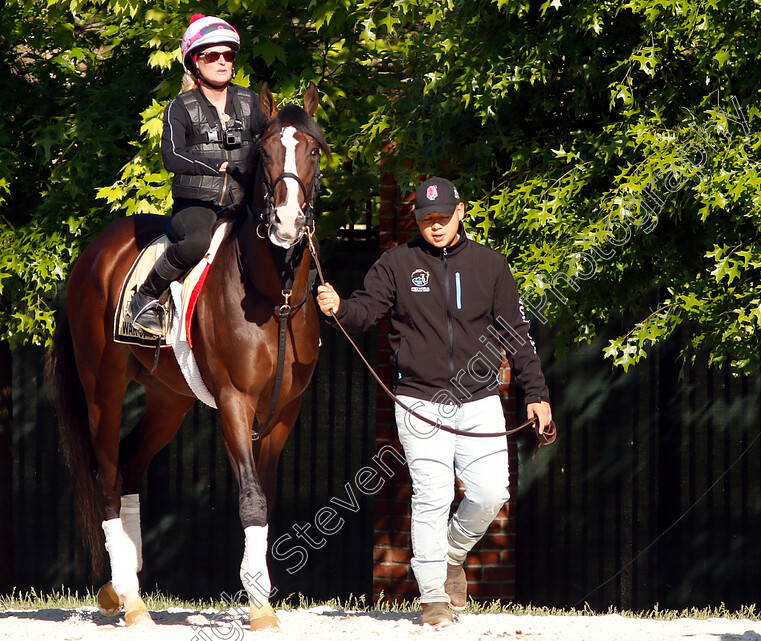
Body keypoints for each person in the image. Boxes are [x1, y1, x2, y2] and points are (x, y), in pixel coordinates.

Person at [316, 177, 553, 626]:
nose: (436, 226)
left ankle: (451, 553)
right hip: (419, 401)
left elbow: (518, 337)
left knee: (490, 492)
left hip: (481, 398)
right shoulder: (397, 263)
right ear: (417, 221)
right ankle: (432, 598)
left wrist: (536, 394)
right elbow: (365, 311)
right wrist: (339, 307)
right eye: (427, 219)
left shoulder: (491, 265)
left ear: (460, 212)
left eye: (443, 217)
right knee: (433, 494)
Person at [130, 14, 268, 335]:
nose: (222, 62)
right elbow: (172, 156)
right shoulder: (179, 107)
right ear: (194, 61)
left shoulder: (250, 101)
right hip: (197, 204)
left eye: (228, 55)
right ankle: (146, 297)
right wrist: (218, 167)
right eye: (212, 56)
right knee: (195, 242)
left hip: (242, 202)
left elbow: (270, 142)